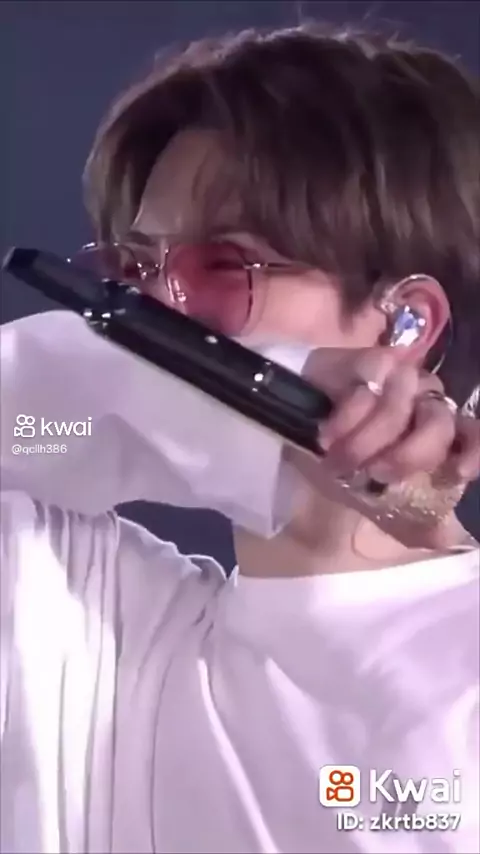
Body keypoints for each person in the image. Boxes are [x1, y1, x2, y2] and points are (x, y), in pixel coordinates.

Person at [1, 22, 479, 854]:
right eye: (136, 274)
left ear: (407, 325)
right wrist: (278, 390)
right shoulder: (76, 605)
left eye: (224, 267)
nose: (152, 317)